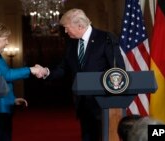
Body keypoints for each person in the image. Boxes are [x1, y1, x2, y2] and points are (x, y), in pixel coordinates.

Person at [37, 8, 125, 141]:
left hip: (104, 104)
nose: (65, 32)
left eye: (67, 28)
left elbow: (117, 69)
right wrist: (46, 72)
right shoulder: (72, 43)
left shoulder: (105, 38)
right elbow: (63, 68)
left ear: (79, 25)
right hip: (83, 104)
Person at [0, 22, 41, 141]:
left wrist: (12, 99)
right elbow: (6, 75)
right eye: (5, 39)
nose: (7, 42)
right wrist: (31, 70)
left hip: (0, 108)